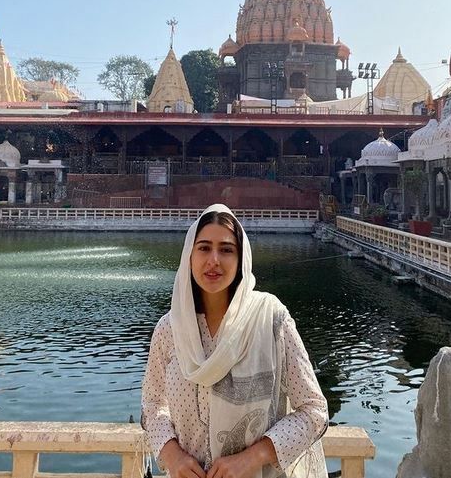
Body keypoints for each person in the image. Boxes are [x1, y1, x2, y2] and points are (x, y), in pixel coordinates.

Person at [141, 204, 329, 478]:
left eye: (227, 249)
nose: (214, 260)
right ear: (189, 256)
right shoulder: (170, 329)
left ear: (241, 258)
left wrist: (254, 457)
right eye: (204, 248)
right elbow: (152, 406)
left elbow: (314, 411)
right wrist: (173, 455)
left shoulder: (270, 319)